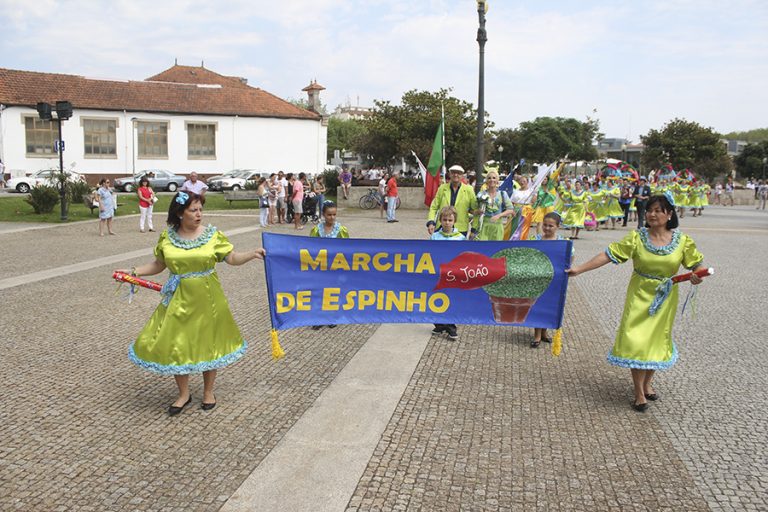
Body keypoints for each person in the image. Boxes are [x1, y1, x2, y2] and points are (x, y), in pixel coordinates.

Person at [125, 191, 266, 415]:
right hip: (178, 298)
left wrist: (252, 254)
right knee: (178, 343)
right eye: (193, 210)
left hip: (208, 298)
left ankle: (209, 392)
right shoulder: (167, 237)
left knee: (209, 343)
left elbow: (231, 258)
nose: (199, 214)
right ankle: (184, 394)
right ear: (180, 213)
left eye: (200, 209)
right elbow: (158, 265)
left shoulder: (212, 235)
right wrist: (133, 272)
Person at [567, 194, 704, 412]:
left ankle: (647, 383)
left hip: (665, 298)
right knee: (636, 340)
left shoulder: (682, 241)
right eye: (649, 210)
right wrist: (579, 269)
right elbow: (608, 255)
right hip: (639, 295)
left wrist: (697, 275)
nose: (652, 214)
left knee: (656, 341)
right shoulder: (636, 238)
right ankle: (638, 392)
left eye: (658, 210)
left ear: (669, 214)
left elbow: (697, 265)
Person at [529, 212, 573, 347]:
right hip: (538, 278)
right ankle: (537, 335)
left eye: (551, 226)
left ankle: (544, 332)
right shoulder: (536, 239)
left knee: (549, 305)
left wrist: (566, 269)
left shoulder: (562, 242)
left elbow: (571, 255)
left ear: (557, 226)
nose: (547, 228)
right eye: (545, 225)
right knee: (537, 305)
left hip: (554, 280)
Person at [430, 206, 464, 340]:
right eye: (444, 220)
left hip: (453, 274)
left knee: (451, 299)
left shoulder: (460, 238)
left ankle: (451, 326)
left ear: (454, 221)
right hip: (438, 272)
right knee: (437, 298)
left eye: (450, 220)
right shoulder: (435, 236)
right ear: (440, 220)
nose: (447, 223)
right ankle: (439, 325)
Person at [427, 165, 478, 237]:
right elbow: (434, 207)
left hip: (461, 229)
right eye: (453, 172)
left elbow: (475, 210)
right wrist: (431, 222)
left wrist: (474, 229)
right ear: (450, 174)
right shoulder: (442, 188)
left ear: (462, 176)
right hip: (442, 227)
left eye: (458, 173)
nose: (456, 175)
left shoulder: (469, 190)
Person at [475, 170, 513, 240]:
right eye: (489, 178)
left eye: (494, 178)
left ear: (497, 180)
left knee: (496, 246)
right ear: (486, 181)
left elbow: (510, 209)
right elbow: (475, 209)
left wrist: (499, 215)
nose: (492, 180)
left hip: (497, 227)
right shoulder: (481, 194)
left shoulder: (502, 194)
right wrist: (478, 211)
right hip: (484, 226)